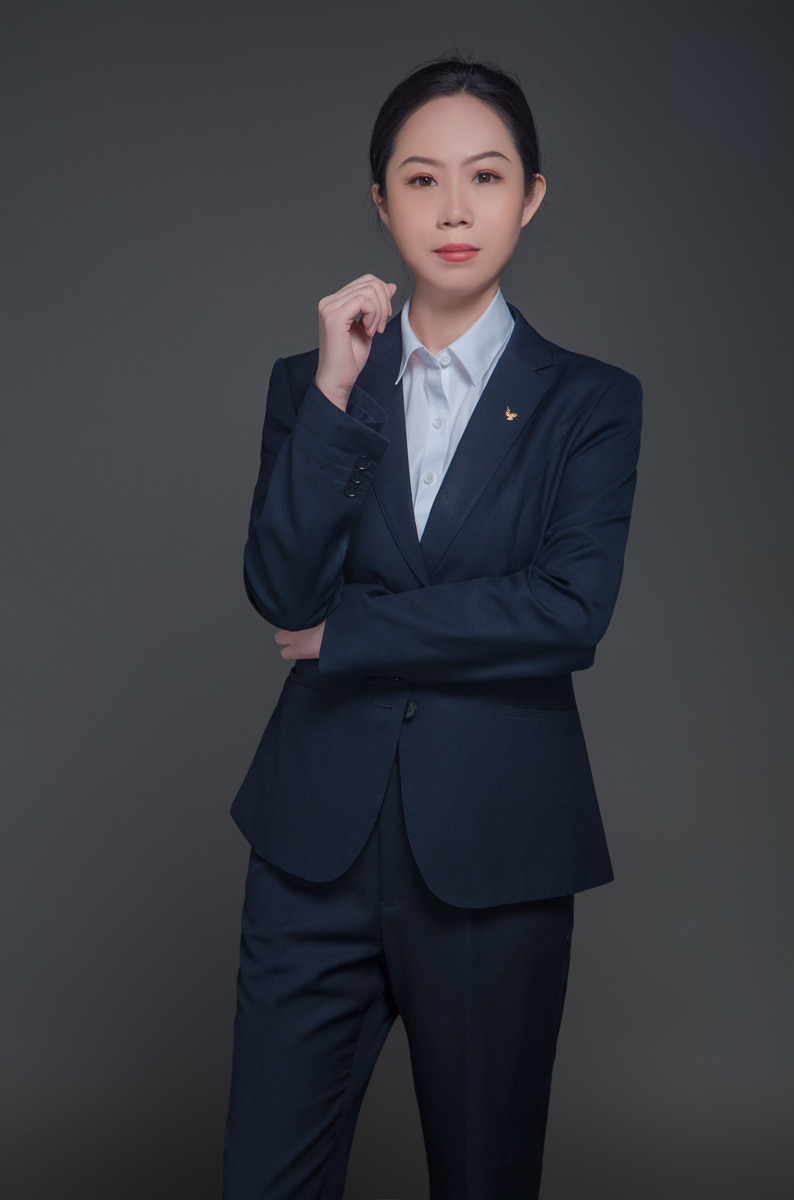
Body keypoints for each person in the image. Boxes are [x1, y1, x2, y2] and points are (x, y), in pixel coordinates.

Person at [223, 54, 643, 1200]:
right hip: (312, 845)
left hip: (495, 855)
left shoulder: (589, 402)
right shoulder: (310, 385)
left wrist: (350, 637)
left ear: (530, 196)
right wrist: (332, 395)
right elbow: (282, 589)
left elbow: (566, 609)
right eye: (420, 179)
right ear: (381, 201)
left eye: (485, 176)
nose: (453, 209)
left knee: (482, 1179)